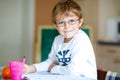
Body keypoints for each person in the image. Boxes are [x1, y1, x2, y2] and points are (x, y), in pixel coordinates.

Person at [24, 0, 97, 79]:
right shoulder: (58, 40)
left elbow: (74, 71)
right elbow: (50, 62)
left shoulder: (81, 39)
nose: (67, 26)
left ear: (80, 22)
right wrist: (31, 68)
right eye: (61, 22)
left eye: (71, 21)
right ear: (55, 25)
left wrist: (54, 68)